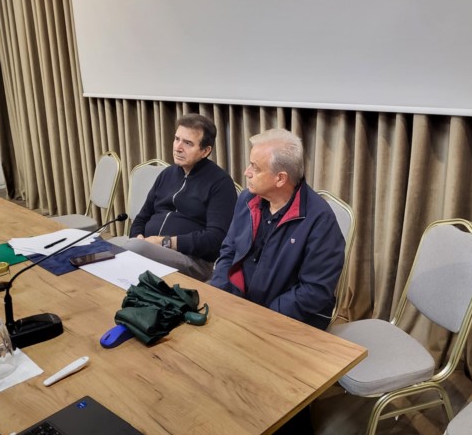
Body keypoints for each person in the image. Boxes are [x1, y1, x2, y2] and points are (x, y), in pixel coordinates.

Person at [210, 128, 345, 331]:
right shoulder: (247, 199)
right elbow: (229, 249)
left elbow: (314, 290)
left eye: (255, 168)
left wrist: (260, 317)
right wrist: (222, 292)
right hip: (241, 304)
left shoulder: (320, 220)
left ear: (280, 178)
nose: (247, 172)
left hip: (288, 319)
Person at [118, 114, 237, 281]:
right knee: (111, 250)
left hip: (193, 261)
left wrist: (164, 242)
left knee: (129, 251)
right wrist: (138, 237)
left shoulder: (220, 183)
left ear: (205, 151)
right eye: (177, 139)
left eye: (188, 143)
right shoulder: (166, 174)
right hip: (145, 248)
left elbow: (215, 239)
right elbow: (142, 217)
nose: (178, 147)